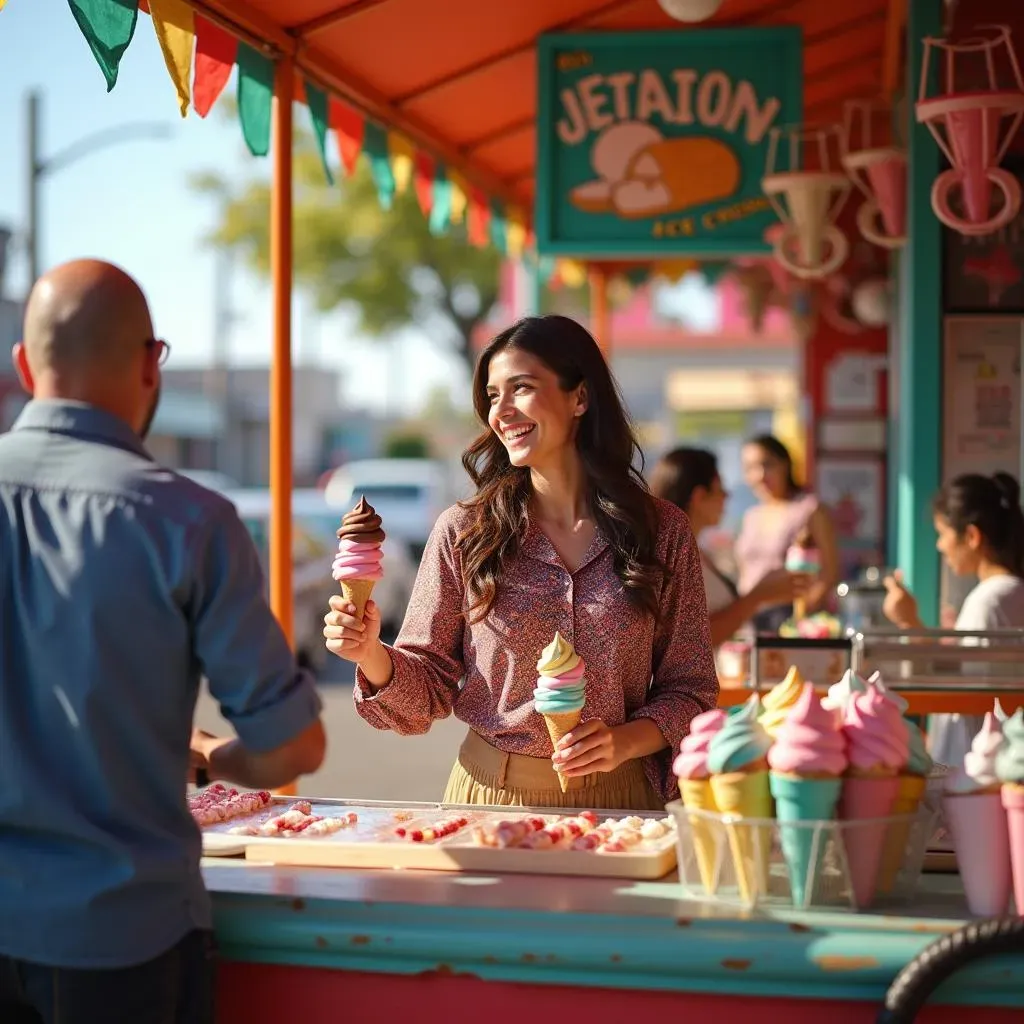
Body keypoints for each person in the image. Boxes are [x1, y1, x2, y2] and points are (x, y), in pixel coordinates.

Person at [0, 259, 327, 1024]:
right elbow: (292, 750)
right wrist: (213, 756)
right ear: (152, 365)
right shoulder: (188, 521)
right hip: (118, 938)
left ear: (24, 365)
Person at [324, 315, 719, 809]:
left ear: (580, 397)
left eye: (521, 388)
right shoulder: (463, 532)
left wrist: (627, 740)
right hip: (490, 800)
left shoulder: (663, 532)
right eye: (492, 396)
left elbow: (692, 689)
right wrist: (369, 653)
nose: (502, 411)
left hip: (623, 802)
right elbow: (425, 695)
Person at [883, 472, 1024, 767]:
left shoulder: (989, 601)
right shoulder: (1008, 594)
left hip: (972, 774)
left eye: (943, 533)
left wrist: (910, 623)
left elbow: (961, 692)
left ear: (972, 537)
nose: (939, 545)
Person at [648, 447, 807, 647]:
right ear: (699, 496)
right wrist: (756, 597)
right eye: (720, 489)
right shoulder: (671, 558)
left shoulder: (690, 550)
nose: (727, 496)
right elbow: (689, 642)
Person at [733, 433, 839, 632]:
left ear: (785, 464)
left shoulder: (809, 509)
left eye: (767, 464)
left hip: (791, 619)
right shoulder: (751, 516)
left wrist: (801, 614)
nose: (760, 475)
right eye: (750, 468)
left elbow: (830, 571)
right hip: (749, 619)